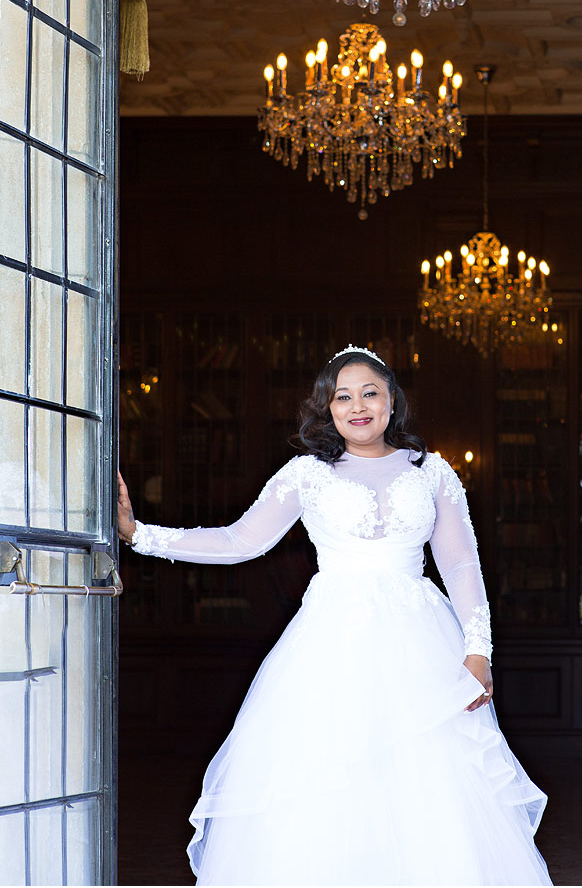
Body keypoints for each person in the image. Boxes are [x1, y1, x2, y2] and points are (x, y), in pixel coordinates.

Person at [118, 345, 552, 887]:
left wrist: (478, 649)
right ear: (328, 409)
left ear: (392, 400)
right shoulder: (307, 474)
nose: (358, 406)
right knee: (329, 781)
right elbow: (240, 541)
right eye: (342, 397)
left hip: (421, 645)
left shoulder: (432, 471)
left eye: (370, 392)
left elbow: (461, 563)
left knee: (427, 782)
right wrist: (140, 536)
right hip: (332, 647)